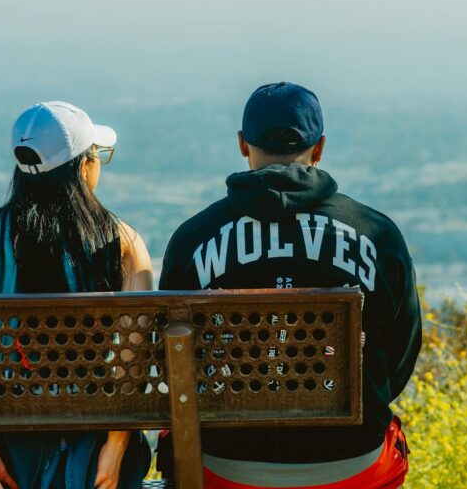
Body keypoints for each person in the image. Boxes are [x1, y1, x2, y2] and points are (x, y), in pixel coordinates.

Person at [158, 82, 422, 489]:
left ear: (243, 144)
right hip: (352, 464)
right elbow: (401, 353)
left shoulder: (193, 239)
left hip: (225, 466)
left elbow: (169, 357)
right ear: (319, 148)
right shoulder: (377, 235)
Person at [0, 101, 153, 489]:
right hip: (95, 446)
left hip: (5, 444)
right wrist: (115, 448)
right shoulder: (122, 243)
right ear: (84, 166)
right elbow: (133, 361)